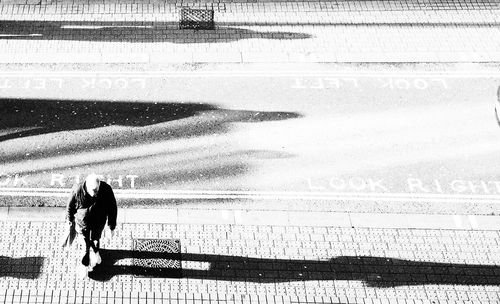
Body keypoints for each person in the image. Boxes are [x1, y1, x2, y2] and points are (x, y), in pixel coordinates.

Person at [66, 174, 117, 269]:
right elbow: (70, 206)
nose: (95, 193)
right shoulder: (77, 189)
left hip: (98, 222)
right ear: (87, 186)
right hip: (82, 223)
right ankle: (84, 265)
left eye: (97, 190)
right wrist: (70, 220)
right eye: (93, 191)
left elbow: (112, 208)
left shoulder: (106, 189)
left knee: (95, 239)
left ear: (99, 185)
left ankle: (96, 252)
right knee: (85, 245)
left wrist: (111, 226)